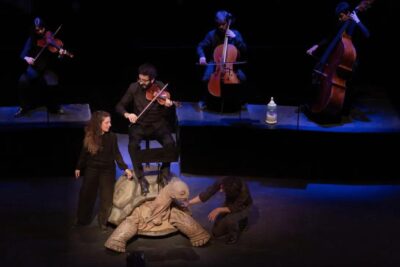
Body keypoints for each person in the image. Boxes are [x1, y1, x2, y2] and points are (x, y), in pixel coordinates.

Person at [116, 63, 175, 195]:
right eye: (140, 79)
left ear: (152, 80)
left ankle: (164, 175)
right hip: (140, 125)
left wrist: (168, 106)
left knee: (170, 144)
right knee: (132, 146)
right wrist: (128, 114)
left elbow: (169, 115)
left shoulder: (160, 87)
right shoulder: (134, 87)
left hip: (158, 124)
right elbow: (119, 106)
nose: (141, 82)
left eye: (144, 80)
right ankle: (141, 178)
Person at [306, 1, 370, 118]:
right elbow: (330, 38)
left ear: (347, 13)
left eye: (341, 16)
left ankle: (341, 110)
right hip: (338, 60)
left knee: (349, 87)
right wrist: (316, 46)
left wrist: (357, 21)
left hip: (350, 59)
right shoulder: (341, 24)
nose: (340, 19)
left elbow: (367, 35)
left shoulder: (354, 23)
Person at [75, 110, 133, 231]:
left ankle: (103, 221)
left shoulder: (112, 137)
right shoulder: (90, 137)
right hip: (92, 169)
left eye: (110, 122)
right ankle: (82, 220)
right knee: (87, 195)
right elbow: (83, 154)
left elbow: (117, 154)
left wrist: (125, 168)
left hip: (107, 170)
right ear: (99, 124)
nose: (110, 125)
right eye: (107, 122)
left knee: (106, 197)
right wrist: (78, 167)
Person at [15, 17, 69, 117]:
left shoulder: (50, 37)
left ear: (45, 28)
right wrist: (27, 58)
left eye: (42, 29)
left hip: (47, 69)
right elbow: (23, 54)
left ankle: (54, 107)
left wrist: (60, 54)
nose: (40, 31)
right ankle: (24, 107)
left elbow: (59, 59)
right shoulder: (31, 38)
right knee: (22, 81)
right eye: (37, 30)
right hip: (34, 69)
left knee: (54, 83)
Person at [196, 10, 247, 111]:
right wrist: (202, 56)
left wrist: (236, 38)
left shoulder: (235, 34)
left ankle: (242, 102)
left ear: (228, 23)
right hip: (215, 62)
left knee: (243, 78)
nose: (221, 27)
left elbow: (244, 49)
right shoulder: (211, 34)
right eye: (218, 25)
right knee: (205, 78)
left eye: (223, 24)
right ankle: (204, 101)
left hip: (231, 64)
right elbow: (200, 46)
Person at [187, 176, 253, 244]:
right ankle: (233, 221)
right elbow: (207, 194)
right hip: (229, 203)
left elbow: (235, 207)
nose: (221, 190)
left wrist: (219, 210)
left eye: (224, 190)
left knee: (230, 220)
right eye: (222, 187)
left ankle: (235, 233)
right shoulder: (223, 181)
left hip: (243, 206)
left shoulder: (243, 192)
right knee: (216, 232)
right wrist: (188, 203)